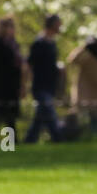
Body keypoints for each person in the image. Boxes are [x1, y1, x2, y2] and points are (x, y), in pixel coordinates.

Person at [24, 14, 63, 144]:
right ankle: (57, 138)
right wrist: (24, 84)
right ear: (52, 25)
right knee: (49, 112)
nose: (60, 27)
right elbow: (29, 64)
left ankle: (30, 140)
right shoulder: (39, 43)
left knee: (40, 116)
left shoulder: (53, 43)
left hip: (51, 85)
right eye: (58, 24)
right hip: (40, 85)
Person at [65, 36, 97, 139]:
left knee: (93, 112)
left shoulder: (89, 57)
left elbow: (72, 59)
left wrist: (83, 48)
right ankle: (93, 134)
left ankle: (91, 135)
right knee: (95, 112)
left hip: (89, 89)